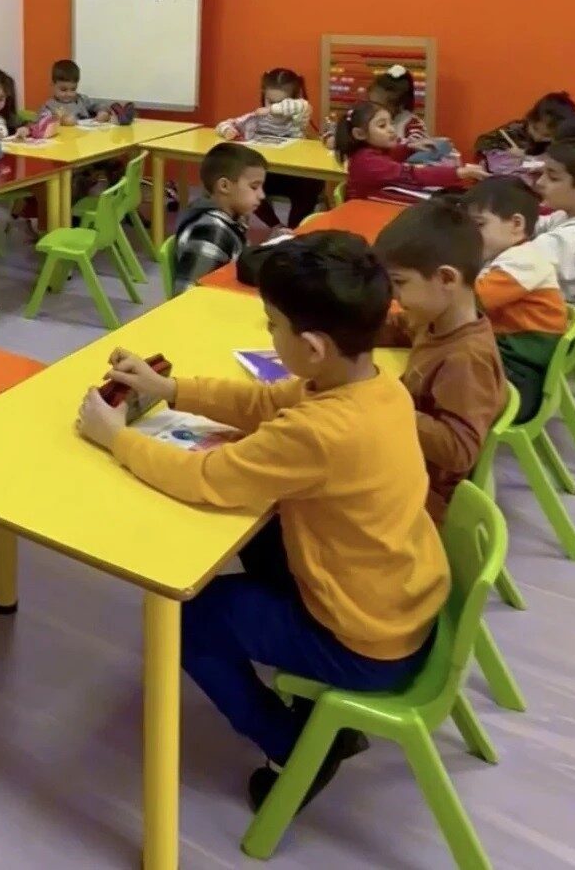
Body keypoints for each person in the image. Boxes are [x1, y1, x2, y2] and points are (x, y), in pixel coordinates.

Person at [75, 233, 448, 810]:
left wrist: (115, 437)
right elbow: (268, 403)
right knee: (262, 536)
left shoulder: (321, 432)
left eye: (273, 326)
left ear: (314, 347)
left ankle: (292, 747)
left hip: (366, 643)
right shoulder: (377, 387)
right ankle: (305, 712)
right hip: (400, 601)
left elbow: (207, 479)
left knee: (188, 621)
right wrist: (170, 388)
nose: (269, 335)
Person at [373, 199, 508, 521]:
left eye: (400, 283)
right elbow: (400, 327)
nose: (394, 296)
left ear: (447, 278)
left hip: (421, 495)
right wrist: (343, 328)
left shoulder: (466, 358)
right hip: (403, 456)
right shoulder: (436, 318)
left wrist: (386, 400)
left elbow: (459, 450)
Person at [462, 177, 566, 421]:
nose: (469, 236)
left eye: (479, 224)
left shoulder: (524, 261)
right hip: (508, 363)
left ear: (516, 224)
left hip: (518, 380)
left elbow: (471, 301)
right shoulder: (507, 257)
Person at [215, 67, 322, 229]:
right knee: (243, 183)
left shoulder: (298, 116)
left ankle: (294, 230)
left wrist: (270, 108)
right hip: (268, 175)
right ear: (264, 96)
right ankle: (276, 226)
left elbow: (300, 105)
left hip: (296, 176)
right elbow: (224, 124)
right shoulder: (257, 119)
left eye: (281, 102)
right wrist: (228, 131)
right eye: (270, 101)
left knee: (312, 184)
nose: (275, 107)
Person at [335, 101, 487, 203]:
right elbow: (412, 175)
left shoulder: (373, 152)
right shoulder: (367, 160)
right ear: (360, 134)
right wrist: (459, 172)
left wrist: (410, 148)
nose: (391, 129)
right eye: (382, 126)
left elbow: (392, 155)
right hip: (366, 212)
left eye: (391, 123)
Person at [168, 142, 267, 292]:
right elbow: (189, 294)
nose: (262, 195)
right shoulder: (211, 233)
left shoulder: (231, 219)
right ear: (224, 186)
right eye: (254, 187)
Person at [533, 121, 575, 301]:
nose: (539, 182)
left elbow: (517, 262)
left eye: (553, 177)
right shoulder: (564, 215)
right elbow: (534, 225)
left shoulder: (569, 239)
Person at [475, 91, 575, 158]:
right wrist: (506, 153)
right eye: (535, 128)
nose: (538, 137)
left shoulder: (567, 140)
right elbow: (482, 142)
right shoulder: (518, 128)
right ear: (529, 118)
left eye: (547, 136)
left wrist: (528, 157)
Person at [40, 59, 110, 125]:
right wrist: (62, 121)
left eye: (73, 89)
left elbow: (99, 105)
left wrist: (103, 112)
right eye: (63, 90)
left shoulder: (82, 99)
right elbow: (42, 123)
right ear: (53, 85)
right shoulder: (49, 106)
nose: (69, 94)